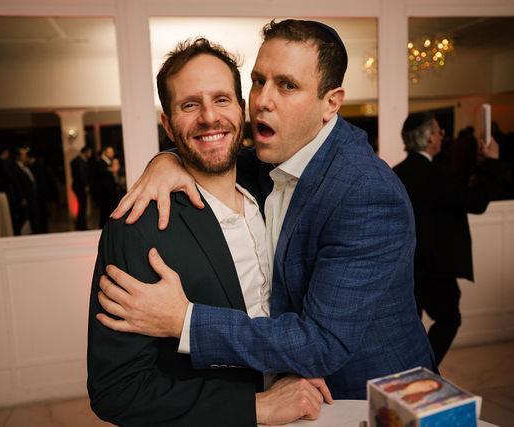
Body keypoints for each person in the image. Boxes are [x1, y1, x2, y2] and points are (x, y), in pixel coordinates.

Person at [101, 19, 435, 400]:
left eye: (287, 85)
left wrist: (184, 321)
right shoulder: (275, 154)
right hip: (295, 398)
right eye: (259, 81)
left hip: (372, 398)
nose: (262, 100)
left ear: (331, 102)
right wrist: (167, 160)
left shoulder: (365, 192)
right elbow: (213, 148)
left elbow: (322, 343)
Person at [88, 37, 331, 426]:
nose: (208, 117)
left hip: (305, 409)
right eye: (189, 105)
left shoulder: (272, 187)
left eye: (221, 99)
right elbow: (116, 389)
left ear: (241, 109)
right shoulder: (136, 227)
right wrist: (257, 407)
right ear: (168, 125)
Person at [393, 112, 506, 365]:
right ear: (429, 139)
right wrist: (492, 163)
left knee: (410, 326)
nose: (442, 136)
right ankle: (424, 369)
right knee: (449, 319)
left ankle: (412, 372)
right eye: (439, 131)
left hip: (404, 267)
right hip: (436, 268)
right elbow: (476, 202)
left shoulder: (395, 173)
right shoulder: (437, 175)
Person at [91, 145, 119, 228]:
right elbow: (102, 175)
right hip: (105, 192)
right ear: (105, 152)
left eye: (112, 152)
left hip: (108, 191)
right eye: (110, 152)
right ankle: (104, 226)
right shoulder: (101, 162)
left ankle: (107, 226)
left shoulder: (109, 161)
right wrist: (112, 170)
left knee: (107, 210)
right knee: (105, 210)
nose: (112, 153)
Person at [71, 146, 93, 230]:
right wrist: (85, 185)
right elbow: (81, 175)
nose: (90, 154)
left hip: (78, 186)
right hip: (80, 187)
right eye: (89, 152)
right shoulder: (79, 161)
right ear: (85, 152)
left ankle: (80, 224)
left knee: (82, 206)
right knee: (82, 206)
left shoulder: (77, 160)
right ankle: (81, 225)